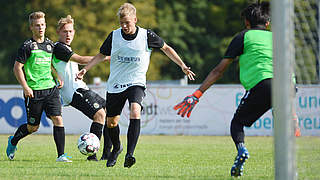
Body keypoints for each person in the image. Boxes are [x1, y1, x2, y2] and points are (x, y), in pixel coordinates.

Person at [173, 1, 291, 177]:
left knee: (237, 124)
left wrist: (197, 94)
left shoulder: (243, 36)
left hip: (262, 84)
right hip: (287, 85)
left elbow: (218, 71)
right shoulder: (277, 38)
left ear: (247, 23)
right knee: (282, 119)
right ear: (267, 23)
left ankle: (241, 150)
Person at [76, 2, 195, 168]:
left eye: (128, 23)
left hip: (136, 82)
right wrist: (85, 70)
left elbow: (166, 48)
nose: (124, 26)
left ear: (135, 19)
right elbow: (101, 55)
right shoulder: (114, 36)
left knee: (135, 110)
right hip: (115, 84)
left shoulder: (147, 36)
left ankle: (129, 154)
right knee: (111, 123)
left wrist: (182, 65)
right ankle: (117, 148)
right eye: (122, 23)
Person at [7, 11, 71, 162]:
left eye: (42, 24)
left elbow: (49, 64)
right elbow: (17, 68)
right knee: (32, 127)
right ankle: (13, 141)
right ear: (31, 27)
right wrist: (25, 87)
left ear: (46, 25)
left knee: (58, 119)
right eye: (37, 25)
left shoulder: (50, 44)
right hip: (34, 91)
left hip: (51, 89)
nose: (40, 28)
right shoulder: (26, 47)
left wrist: (57, 76)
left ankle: (61, 155)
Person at [52, 15, 112, 161]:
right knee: (100, 115)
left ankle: (107, 154)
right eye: (65, 31)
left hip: (80, 88)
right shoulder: (59, 47)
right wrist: (106, 57)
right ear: (58, 32)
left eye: (71, 31)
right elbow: (81, 59)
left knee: (110, 112)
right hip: (73, 92)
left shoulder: (66, 48)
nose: (68, 35)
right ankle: (92, 155)